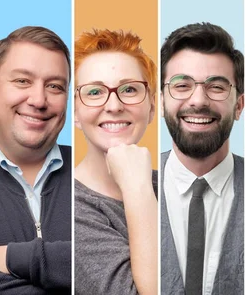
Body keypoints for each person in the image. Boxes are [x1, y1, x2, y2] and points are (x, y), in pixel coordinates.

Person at [159, 22, 244, 295]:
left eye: (216, 87)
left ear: (239, 105)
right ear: (161, 101)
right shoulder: (127, 188)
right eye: (181, 85)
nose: (198, 100)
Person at [0, 26, 71, 294]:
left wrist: (10, 259)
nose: (39, 100)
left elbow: (129, 268)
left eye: (55, 86)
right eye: (22, 81)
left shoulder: (96, 174)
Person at [73, 28, 158, 295]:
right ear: (75, 113)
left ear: (152, 107)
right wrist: (137, 188)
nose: (113, 105)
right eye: (95, 92)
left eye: (129, 89)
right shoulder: (69, 206)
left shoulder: (178, 183)